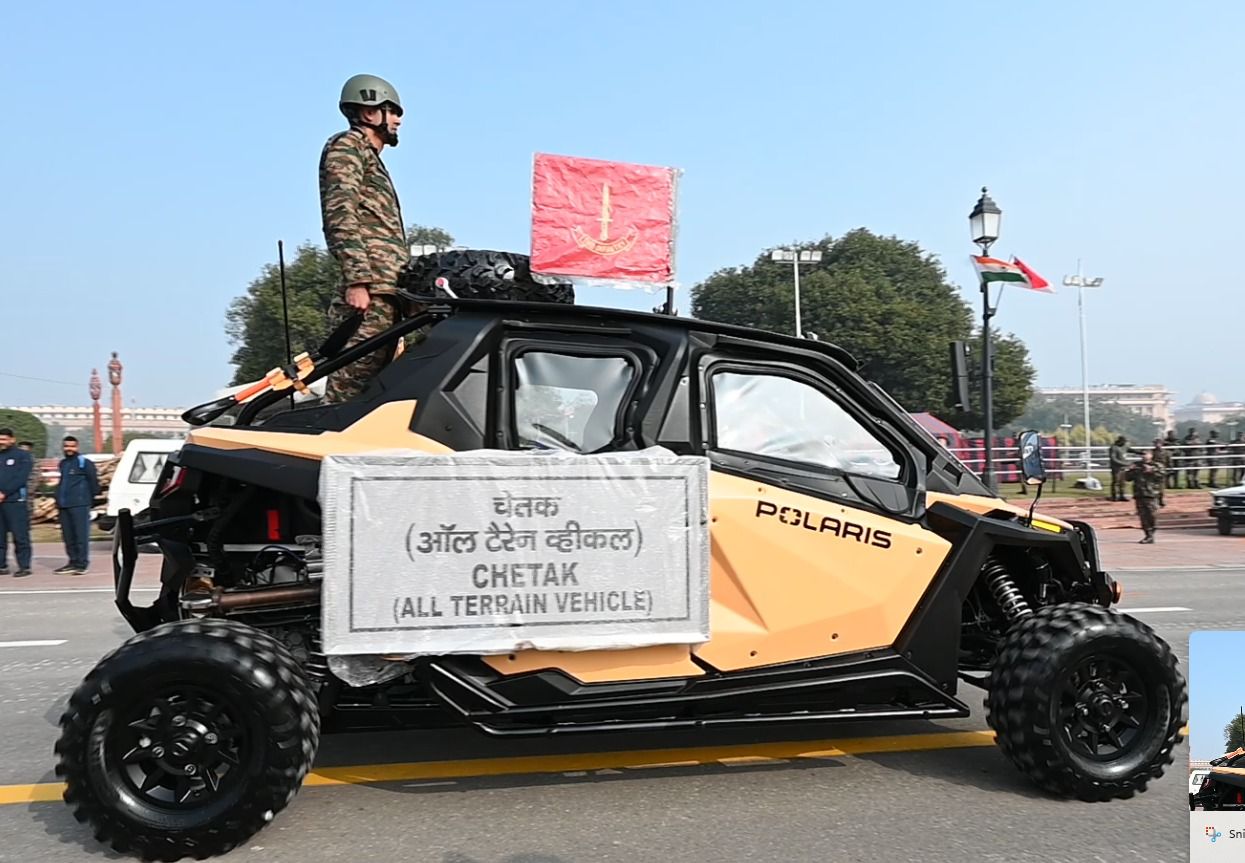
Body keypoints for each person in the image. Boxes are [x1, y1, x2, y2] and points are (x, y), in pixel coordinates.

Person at [320, 73, 412, 404]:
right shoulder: (347, 147)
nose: (399, 119)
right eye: (393, 111)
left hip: (386, 291)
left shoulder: (370, 158)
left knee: (376, 392)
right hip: (369, 292)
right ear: (369, 113)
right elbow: (340, 213)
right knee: (349, 387)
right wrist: (357, 279)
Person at [54, 436, 99, 574]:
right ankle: (72, 561)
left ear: (77, 447)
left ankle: (81, 564)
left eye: (72, 446)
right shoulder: (63, 463)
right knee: (68, 536)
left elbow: (94, 484)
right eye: (66, 446)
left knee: (80, 536)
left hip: (80, 505)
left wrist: (87, 500)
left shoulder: (84, 463)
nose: (69, 449)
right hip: (64, 505)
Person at [0, 428, 33, 576]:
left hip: (15, 501)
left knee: (20, 536)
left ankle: (24, 566)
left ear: (12, 439)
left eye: (5, 439)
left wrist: (4, 492)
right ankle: (1, 565)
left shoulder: (22, 456)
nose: (2, 442)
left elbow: (21, 478)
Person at [1125, 450, 1165, 544]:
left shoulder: (1156, 465)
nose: (1144, 456)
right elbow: (1128, 478)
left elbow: (1162, 475)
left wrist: (1151, 470)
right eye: (1142, 455)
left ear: (1151, 455)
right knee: (1143, 516)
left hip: (1151, 494)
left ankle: (1152, 530)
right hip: (1139, 494)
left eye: (1146, 454)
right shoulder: (1137, 465)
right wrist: (1130, 470)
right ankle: (1148, 535)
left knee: (1152, 515)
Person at [1108, 435, 1132, 501]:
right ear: (1120, 441)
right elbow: (1113, 459)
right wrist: (1125, 464)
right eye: (1124, 441)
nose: (1125, 443)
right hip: (1116, 468)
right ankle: (1114, 496)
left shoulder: (1125, 446)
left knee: (1123, 482)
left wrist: (1141, 452)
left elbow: (1130, 449)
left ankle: (1122, 495)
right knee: (1116, 481)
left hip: (1123, 467)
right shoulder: (1114, 448)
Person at [1151, 438, 1169, 507]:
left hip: (1162, 471)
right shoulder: (1152, 452)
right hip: (1154, 471)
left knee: (1161, 487)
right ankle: (1155, 501)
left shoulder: (1165, 452)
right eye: (1155, 443)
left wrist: (1168, 469)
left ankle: (1160, 500)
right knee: (1153, 487)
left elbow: (1168, 462)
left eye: (1158, 443)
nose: (1156, 445)